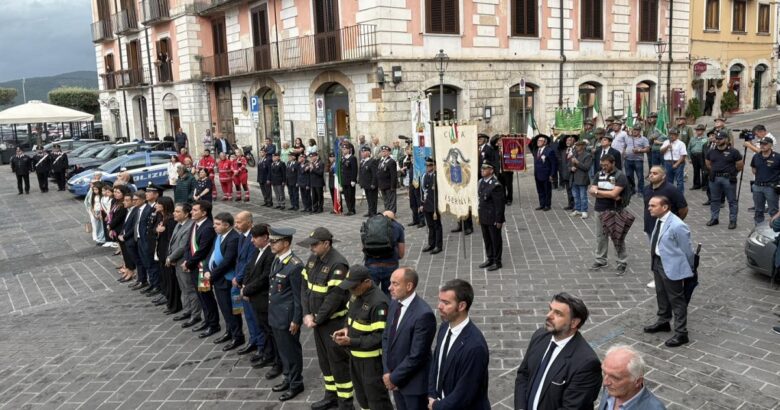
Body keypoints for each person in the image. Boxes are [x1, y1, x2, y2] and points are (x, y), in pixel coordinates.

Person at [514, 292, 602, 410]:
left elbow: (572, 407)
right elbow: (523, 375)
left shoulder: (586, 364)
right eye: (550, 309)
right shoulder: (540, 336)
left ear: (574, 322)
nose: (549, 315)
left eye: (558, 313)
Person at [298, 227, 353, 410]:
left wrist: (317, 318)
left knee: (338, 364)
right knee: (325, 362)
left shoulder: (338, 265)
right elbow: (304, 287)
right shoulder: (314, 259)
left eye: (314, 245)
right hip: (318, 322)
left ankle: (346, 403)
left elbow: (334, 298)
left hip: (333, 323)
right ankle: (331, 396)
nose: (311, 248)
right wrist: (306, 313)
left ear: (326, 244)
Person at [333, 265, 393, 410]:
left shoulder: (379, 303)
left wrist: (352, 341)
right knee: (363, 399)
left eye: (353, 286)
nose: (351, 290)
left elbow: (380, 337)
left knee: (377, 401)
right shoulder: (356, 294)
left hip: (371, 363)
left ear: (367, 282)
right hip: (355, 358)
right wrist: (346, 329)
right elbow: (350, 315)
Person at [428, 279, 490, 410]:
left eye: (446, 303)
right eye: (440, 300)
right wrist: (432, 394)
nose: (439, 306)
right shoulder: (444, 327)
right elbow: (436, 365)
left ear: (461, 306)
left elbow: (464, 394)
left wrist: (436, 405)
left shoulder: (475, 347)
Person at [382, 267, 437, 410]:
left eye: (395, 284)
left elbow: (417, 355)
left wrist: (393, 378)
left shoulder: (424, 315)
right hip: (395, 380)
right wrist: (387, 371)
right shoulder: (394, 303)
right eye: (390, 283)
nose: (389, 288)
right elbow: (387, 337)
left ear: (409, 286)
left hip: (414, 386)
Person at [645, 196, 695, 347]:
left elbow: (688, 250)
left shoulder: (678, 225)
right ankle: (663, 321)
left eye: (653, 206)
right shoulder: (659, 219)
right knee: (661, 293)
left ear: (665, 207)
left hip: (672, 266)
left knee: (676, 299)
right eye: (649, 205)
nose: (649, 208)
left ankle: (681, 333)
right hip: (658, 261)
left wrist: (689, 269)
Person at [267, 226, 305, 401]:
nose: (271, 244)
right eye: (271, 240)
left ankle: (296, 383)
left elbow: (299, 298)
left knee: (291, 352)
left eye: (274, 241)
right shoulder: (277, 259)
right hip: (276, 315)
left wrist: (296, 320)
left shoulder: (295, 266)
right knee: (283, 350)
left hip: (287, 318)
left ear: (286, 243)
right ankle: (288, 378)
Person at [242, 223, 281, 377]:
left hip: (264, 300)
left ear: (265, 238)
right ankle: (267, 354)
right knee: (263, 329)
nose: (252, 240)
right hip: (255, 298)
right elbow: (249, 269)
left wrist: (247, 289)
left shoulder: (270, 255)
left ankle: (276, 360)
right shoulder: (258, 251)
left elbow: (264, 278)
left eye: (255, 238)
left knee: (269, 331)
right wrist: (245, 284)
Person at [204, 212, 245, 351]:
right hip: (218, 278)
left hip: (226, 280)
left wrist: (212, 275)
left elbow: (227, 262)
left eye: (217, 224)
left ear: (227, 225)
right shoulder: (219, 236)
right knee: (225, 309)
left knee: (231, 310)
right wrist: (206, 269)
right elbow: (211, 255)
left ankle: (237, 336)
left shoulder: (233, 238)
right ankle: (229, 331)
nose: (214, 227)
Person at [182, 200, 219, 336]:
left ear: (204, 213)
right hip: (193, 266)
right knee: (200, 296)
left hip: (202, 268)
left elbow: (202, 250)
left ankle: (214, 324)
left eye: (195, 210)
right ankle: (207, 320)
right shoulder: (195, 224)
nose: (192, 212)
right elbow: (188, 244)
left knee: (206, 296)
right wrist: (187, 260)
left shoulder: (208, 227)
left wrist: (189, 263)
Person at [589, 155, 629, 275]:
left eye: (606, 164)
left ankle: (622, 262)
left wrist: (598, 192)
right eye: (602, 165)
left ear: (613, 163)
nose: (604, 167)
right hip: (599, 209)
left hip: (614, 210)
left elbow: (614, 194)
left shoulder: (620, 176)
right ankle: (601, 260)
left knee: (617, 237)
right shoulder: (598, 174)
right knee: (600, 236)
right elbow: (592, 191)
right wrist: (607, 193)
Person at [598, 345, 667, 410]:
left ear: (638, 381)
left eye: (615, 378)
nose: (605, 383)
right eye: (604, 373)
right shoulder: (612, 388)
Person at [232, 213, 261, 357]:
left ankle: (260, 344)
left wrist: (239, 277)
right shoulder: (242, 236)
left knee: (254, 316)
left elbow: (249, 262)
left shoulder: (253, 239)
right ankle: (253, 340)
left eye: (239, 222)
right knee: (248, 316)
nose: (236, 225)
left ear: (249, 223)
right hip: (241, 281)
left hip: (248, 282)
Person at [166, 203, 198, 324]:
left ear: (186, 214)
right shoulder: (178, 224)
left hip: (183, 262)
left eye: (178, 212)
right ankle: (187, 310)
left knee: (190, 289)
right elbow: (173, 242)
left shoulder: (190, 226)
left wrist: (170, 258)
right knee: (183, 288)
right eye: (175, 211)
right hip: (177, 262)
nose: (174, 213)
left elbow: (182, 247)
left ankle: (195, 314)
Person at [705, 131, 743, 229]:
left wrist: (732, 173)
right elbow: (708, 164)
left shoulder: (734, 151)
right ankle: (714, 218)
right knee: (715, 199)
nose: (717, 141)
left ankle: (732, 220)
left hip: (728, 179)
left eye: (720, 139)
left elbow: (739, 165)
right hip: (714, 178)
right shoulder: (711, 151)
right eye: (716, 139)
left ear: (726, 139)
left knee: (732, 201)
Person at [364, 211, 405, 295]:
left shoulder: (369, 225)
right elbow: (401, 253)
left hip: (372, 266)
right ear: (393, 219)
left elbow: (364, 248)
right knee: (389, 295)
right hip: (390, 266)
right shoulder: (398, 227)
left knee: (370, 295)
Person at [153, 197, 180, 314]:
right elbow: (154, 230)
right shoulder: (161, 217)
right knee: (165, 278)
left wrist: (170, 257)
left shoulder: (170, 220)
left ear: (164, 205)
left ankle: (174, 304)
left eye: (158, 204)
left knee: (171, 280)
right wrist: (158, 230)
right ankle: (167, 298)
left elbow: (172, 240)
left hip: (167, 254)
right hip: (160, 252)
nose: (156, 206)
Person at [477, 163, 506, 271]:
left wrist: (499, 220)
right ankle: (490, 258)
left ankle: (497, 261)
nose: (482, 170)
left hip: (493, 218)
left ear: (491, 170)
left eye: (485, 168)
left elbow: (500, 205)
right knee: (487, 239)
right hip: (484, 216)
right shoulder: (481, 182)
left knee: (495, 240)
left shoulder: (496, 185)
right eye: (482, 168)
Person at [750, 137, 780, 224]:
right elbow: (753, 169)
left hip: (771, 187)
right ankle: (758, 228)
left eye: (765, 144)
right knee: (758, 211)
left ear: (771, 145)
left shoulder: (777, 157)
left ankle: (775, 230)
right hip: (757, 186)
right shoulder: (756, 156)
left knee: (773, 211)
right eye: (761, 144)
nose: (762, 146)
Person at [420, 157, 443, 254]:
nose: (428, 167)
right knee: (430, 226)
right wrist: (421, 204)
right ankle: (431, 244)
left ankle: (438, 245)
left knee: (437, 226)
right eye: (427, 165)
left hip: (435, 205)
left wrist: (438, 205)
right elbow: (422, 191)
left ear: (434, 166)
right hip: (426, 205)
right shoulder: (424, 176)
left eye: (430, 165)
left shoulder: (437, 176)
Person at [623, 124, 650, 196]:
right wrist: (624, 153)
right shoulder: (628, 138)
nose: (634, 131)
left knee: (640, 176)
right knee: (629, 175)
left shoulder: (644, 139)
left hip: (638, 160)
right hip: (628, 160)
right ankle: (632, 190)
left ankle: (640, 191)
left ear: (639, 131)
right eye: (634, 130)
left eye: (636, 130)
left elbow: (647, 149)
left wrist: (639, 150)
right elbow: (625, 146)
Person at [532, 134, 556, 211]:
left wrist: (552, 174)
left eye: (540, 141)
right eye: (538, 140)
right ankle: (542, 204)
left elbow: (554, 164)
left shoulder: (549, 151)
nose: (538, 142)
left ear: (545, 142)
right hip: (537, 173)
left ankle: (547, 205)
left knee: (547, 190)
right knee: (540, 190)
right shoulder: (536, 150)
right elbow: (530, 144)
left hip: (546, 174)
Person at [570, 140, 593, 219]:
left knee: (583, 196)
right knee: (576, 196)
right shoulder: (574, 154)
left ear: (583, 146)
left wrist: (577, 162)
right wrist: (571, 168)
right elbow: (569, 165)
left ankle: (584, 211)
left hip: (582, 178)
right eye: (576, 145)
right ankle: (578, 209)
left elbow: (586, 167)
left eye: (578, 145)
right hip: (574, 178)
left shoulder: (588, 155)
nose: (576, 147)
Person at [660, 128, 687, 193]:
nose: (671, 136)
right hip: (667, 163)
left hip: (678, 163)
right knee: (668, 180)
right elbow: (661, 151)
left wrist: (676, 164)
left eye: (673, 134)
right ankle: (670, 194)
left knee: (679, 180)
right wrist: (667, 147)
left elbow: (683, 156)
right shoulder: (666, 142)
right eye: (670, 134)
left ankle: (680, 195)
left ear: (677, 135)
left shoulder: (681, 143)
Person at [377, 145, 398, 213]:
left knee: (391, 200)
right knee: (385, 200)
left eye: (385, 151)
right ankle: (387, 211)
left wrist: (393, 186)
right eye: (382, 151)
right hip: (382, 184)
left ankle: (392, 212)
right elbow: (379, 173)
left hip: (389, 184)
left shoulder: (391, 162)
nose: (383, 153)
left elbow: (393, 175)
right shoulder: (381, 161)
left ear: (389, 152)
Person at [359, 146, 379, 217]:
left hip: (371, 184)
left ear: (368, 153)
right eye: (362, 152)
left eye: (364, 152)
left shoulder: (372, 161)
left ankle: (373, 212)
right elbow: (361, 173)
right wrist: (361, 182)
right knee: (368, 199)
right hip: (365, 184)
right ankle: (370, 211)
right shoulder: (362, 162)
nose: (362, 153)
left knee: (373, 199)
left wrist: (374, 183)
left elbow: (375, 174)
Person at [688, 124, 709, 190]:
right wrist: (689, 158)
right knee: (695, 171)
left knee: (704, 171)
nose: (698, 131)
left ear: (703, 131)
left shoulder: (706, 139)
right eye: (697, 130)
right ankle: (696, 185)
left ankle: (705, 185)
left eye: (700, 130)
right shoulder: (692, 139)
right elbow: (689, 148)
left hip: (702, 156)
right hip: (694, 156)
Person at [558, 135, 576, 210]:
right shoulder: (564, 150)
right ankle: (570, 204)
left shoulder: (575, 150)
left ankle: (576, 205)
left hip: (573, 173)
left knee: (574, 190)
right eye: (566, 140)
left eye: (569, 140)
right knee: (568, 190)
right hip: (565, 173)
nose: (567, 142)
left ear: (574, 141)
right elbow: (560, 143)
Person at [85, 181, 106, 246]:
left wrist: (100, 214)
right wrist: (93, 213)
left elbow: (102, 205)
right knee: (97, 226)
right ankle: (99, 238)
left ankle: (103, 239)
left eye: (96, 189)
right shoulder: (93, 196)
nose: (95, 191)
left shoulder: (101, 196)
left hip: (100, 212)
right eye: (94, 189)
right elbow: (91, 205)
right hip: (95, 212)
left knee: (102, 226)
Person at [341, 142, 358, 215]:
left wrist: (353, 180)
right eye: (343, 149)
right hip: (344, 180)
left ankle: (352, 209)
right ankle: (349, 209)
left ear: (349, 150)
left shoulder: (352, 158)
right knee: (346, 196)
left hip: (350, 180)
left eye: (345, 149)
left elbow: (354, 169)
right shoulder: (343, 158)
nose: (343, 150)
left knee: (351, 195)